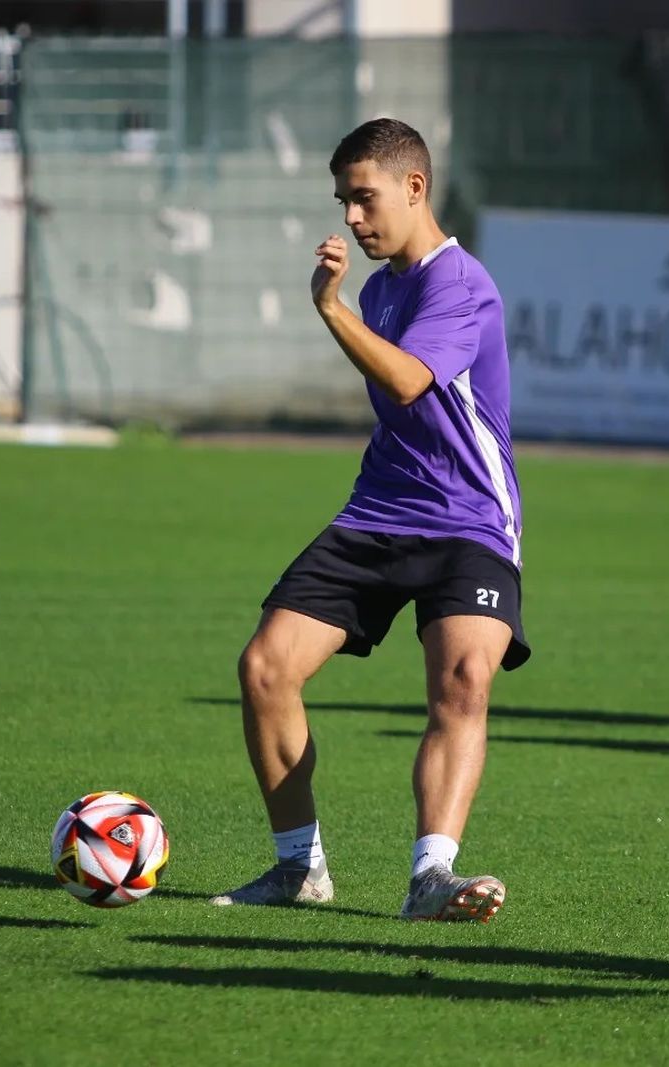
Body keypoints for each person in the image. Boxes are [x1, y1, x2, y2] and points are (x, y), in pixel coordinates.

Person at [208, 118, 529, 920]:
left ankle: (431, 877)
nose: (351, 217)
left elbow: (410, 381)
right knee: (265, 667)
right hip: (380, 510)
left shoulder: (459, 284)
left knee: (462, 681)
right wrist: (350, 304)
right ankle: (297, 866)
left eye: (364, 197)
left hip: (468, 521)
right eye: (343, 200)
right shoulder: (385, 285)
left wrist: (331, 309)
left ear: (414, 188)